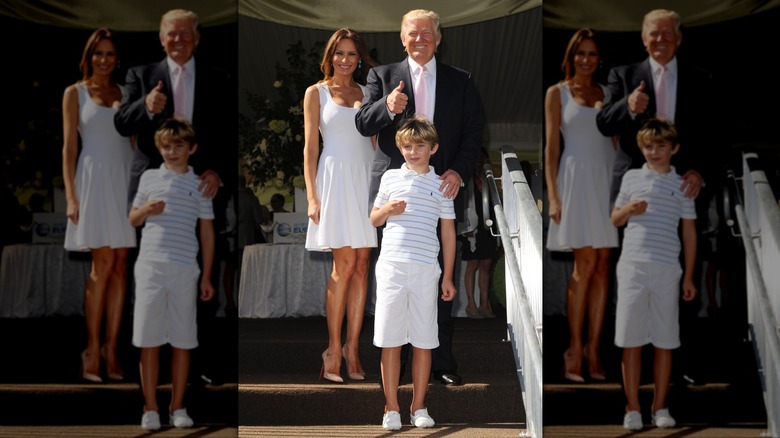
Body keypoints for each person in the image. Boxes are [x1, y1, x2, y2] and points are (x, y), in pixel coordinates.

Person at [356, 8, 485, 387]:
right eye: (412, 34)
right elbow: (363, 121)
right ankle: (396, 363)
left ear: (438, 38)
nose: (419, 39)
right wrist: (386, 108)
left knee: (439, 273)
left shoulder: (461, 81)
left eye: (426, 33)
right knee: (395, 274)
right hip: (393, 191)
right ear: (402, 38)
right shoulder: (382, 76)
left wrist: (458, 171)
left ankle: (441, 361)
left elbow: (475, 132)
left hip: (441, 188)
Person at [596, 8, 718, 386]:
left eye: (668, 34)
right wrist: (627, 106)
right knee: (631, 275)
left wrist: (701, 171)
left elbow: (717, 135)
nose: (660, 40)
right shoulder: (624, 75)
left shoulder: (701, 78)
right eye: (653, 34)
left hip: (684, 185)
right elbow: (604, 124)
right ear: (643, 38)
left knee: (684, 272)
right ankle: (634, 371)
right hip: (634, 188)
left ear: (679, 39)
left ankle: (679, 361)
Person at [115, 8, 235, 386]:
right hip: (153, 189)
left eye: (186, 34)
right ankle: (151, 367)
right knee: (149, 275)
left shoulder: (219, 78)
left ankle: (195, 362)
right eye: (171, 34)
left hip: (201, 186)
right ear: (161, 38)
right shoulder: (141, 75)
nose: (178, 39)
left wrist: (219, 171)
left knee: (202, 273)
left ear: (197, 39)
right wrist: (144, 106)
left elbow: (229, 135)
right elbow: (121, 123)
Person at [370, 116, 457, 430]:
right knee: (390, 339)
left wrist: (447, 276)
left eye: (420, 146)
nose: (413, 151)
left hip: (425, 271)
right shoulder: (390, 178)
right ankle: (390, 407)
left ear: (433, 148)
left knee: (423, 340)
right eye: (407, 146)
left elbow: (448, 234)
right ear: (400, 148)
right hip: (392, 268)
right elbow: (374, 219)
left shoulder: (442, 184)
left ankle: (418, 406)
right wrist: (388, 210)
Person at [129, 117, 215, 431]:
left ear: (191, 148)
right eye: (166, 146)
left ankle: (178, 405)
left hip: (184, 271)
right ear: (159, 148)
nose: (172, 151)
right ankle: (149, 407)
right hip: (150, 268)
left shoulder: (201, 184)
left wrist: (206, 276)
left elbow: (207, 235)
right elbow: (133, 220)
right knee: (148, 340)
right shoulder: (149, 178)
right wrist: (145, 210)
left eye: (178, 146)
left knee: (182, 340)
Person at [611, 118, 697, 431]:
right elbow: (615, 219)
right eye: (648, 145)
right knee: (631, 340)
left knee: (665, 340)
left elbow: (689, 234)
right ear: (641, 147)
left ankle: (660, 406)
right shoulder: (631, 177)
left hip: (667, 270)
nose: (654, 151)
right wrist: (629, 210)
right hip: (633, 267)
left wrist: (688, 276)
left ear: (674, 148)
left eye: (661, 145)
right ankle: (632, 407)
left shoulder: (684, 183)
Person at [303, 27, 378, 383]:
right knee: (344, 265)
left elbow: (377, 146)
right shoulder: (315, 92)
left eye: (351, 54)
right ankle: (332, 348)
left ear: (360, 58)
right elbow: (310, 148)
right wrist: (312, 196)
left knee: (363, 267)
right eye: (339, 53)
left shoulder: (369, 92)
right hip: (333, 180)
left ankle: (353, 349)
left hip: (366, 182)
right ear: (330, 56)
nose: (345, 60)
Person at [62, 28, 136, 383]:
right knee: (102, 264)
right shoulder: (74, 93)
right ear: (89, 56)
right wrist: (71, 196)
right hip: (91, 181)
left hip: (124, 182)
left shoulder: (126, 93)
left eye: (110, 54)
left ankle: (111, 350)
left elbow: (135, 147)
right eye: (98, 53)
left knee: (121, 267)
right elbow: (69, 149)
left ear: (116, 58)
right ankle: (91, 348)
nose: (104, 60)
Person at [545, 28, 618, 382]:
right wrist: (553, 195)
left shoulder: (609, 93)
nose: (586, 59)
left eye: (592, 54)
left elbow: (617, 146)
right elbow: (551, 149)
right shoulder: (556, 93)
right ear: (571, 56)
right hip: (574, 181)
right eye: (580, 53)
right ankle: (573, 348)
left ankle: (594, 349)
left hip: (607, 183)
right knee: (584, 264)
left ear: (599, 58)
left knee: (603, 266)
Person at [461, 147, 500, 319]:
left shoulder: (489, 180)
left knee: (485, 265)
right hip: (473, 226)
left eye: (483, 158)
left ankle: (485, 304)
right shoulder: (466, 177)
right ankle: (471, 304)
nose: (481, 161)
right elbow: (463, 204)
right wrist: (466, 229)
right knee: (473, 264)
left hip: (489, 224)